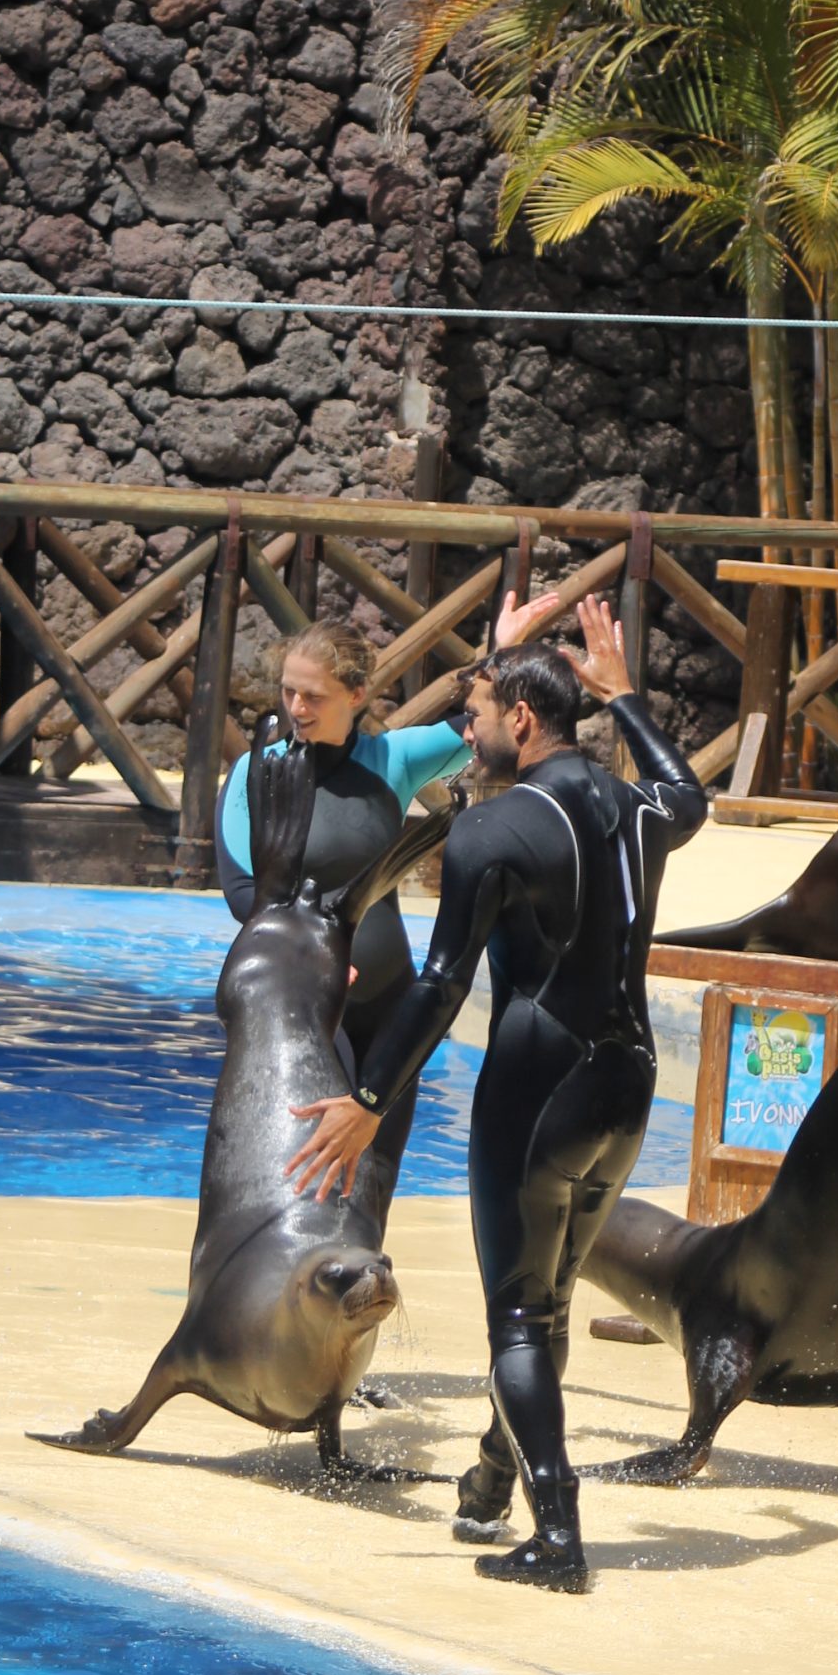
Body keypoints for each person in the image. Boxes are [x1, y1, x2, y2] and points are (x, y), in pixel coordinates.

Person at [285, 599, 708, 1595]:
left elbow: (441, 984)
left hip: (537, 1089)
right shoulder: (637, 810)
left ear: (521, 719)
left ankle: (558, 1538)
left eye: (475, 714)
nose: (465, 733)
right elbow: (689, 794)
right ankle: (491, 1476)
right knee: (549, 1298)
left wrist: (371, 1094)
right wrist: (625, 697)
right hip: (627, 1086)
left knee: (520, 1315)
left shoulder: (489, 830)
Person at [216, 599, 551, 1223]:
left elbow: (481, 723)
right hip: (306, 1000)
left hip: (389, 1003)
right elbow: (241, 889)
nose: (296, 708)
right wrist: (307, 957)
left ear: (357, 695)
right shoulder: (256, 772)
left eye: (313, 696)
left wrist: (501, 655)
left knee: (374, 1181)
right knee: (313, 1181)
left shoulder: (392, 760)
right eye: (289, 692)